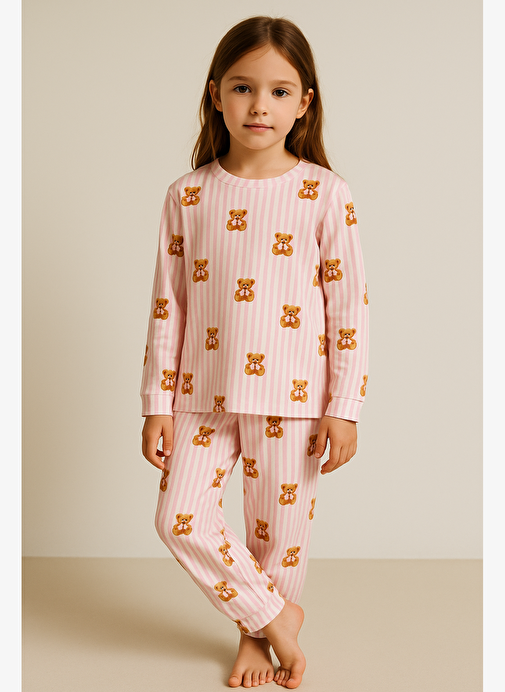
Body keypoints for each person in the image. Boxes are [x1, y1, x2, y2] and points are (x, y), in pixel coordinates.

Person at [140, 15, 369, 689]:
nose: (259, 105)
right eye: (242, 88)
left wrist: (344, 405)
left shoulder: (324, 193)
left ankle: (255, 639)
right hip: (200, 392)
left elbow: (348, 307)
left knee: (278, 537)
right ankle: (275, 618)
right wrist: (156, 403)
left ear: (304, 103)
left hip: (294, 396)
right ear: (216, 95)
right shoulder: (187, 195)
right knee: (179, 517)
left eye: (278, 91)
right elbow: (168, 305)